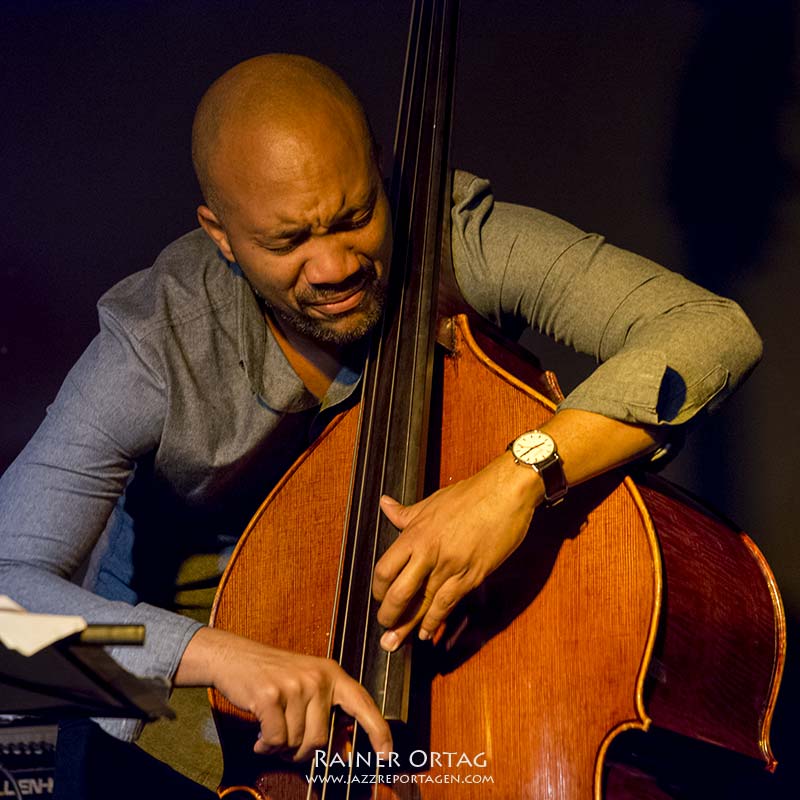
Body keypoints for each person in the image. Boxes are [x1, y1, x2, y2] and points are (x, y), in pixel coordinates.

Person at [0, 54, 762, 793]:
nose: (333, 266)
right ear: (221, 235)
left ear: (381, 175)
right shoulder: (156, 340)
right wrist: (215, 655)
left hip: (432, 689)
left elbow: (710, 330)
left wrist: (515, 481)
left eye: (355, 217)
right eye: (287, 241)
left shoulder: (449, 234)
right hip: (189, 719)